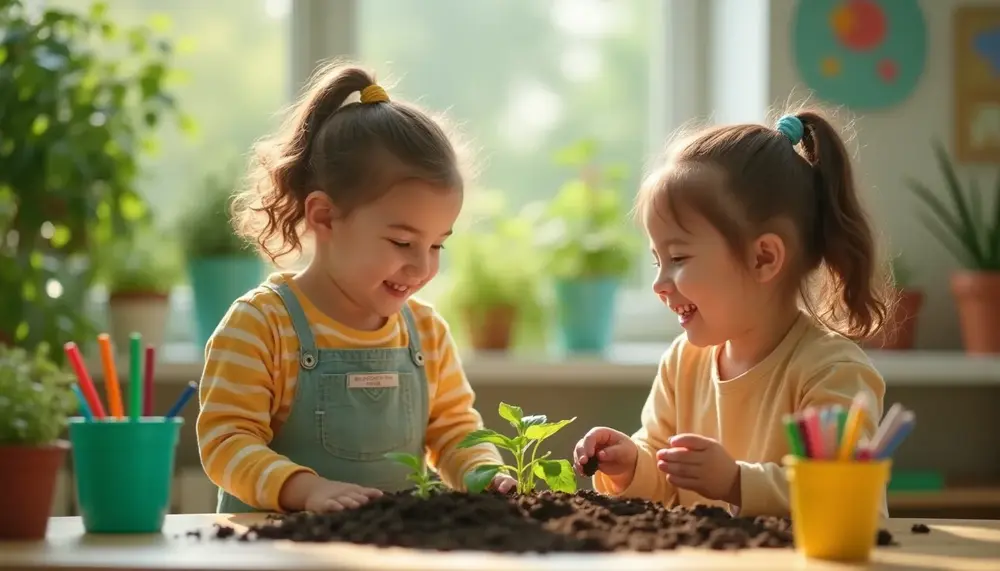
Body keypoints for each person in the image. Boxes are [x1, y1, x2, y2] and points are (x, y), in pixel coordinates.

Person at [195, 61, 516, 514]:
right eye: (403, 242)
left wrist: (485, 472)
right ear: (324, 217)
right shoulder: (261, 325)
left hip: (389, 549)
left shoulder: (426, 333)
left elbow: (455, 431)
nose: (422, 266)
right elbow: (226, 443)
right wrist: (305, 490)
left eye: (438, 245)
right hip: (274, 552)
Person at [572, 108, 893, 517]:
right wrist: (632, 464)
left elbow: (845, 498)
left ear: (763, 258)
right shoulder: (682, 363)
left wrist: (736, 482)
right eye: (657, 261)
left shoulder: (833, 372)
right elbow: (665, 476)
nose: (659, 283)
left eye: (678, 257)